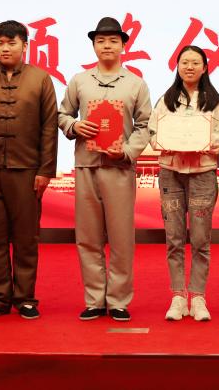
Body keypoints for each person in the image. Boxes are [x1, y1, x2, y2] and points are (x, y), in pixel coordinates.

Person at [0, 20, 58, 320]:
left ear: (25, 46)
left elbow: (49, 128)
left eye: (12, 43)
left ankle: (25, 298)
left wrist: (45, 171)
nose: (5, 48)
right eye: (0, 43)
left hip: (28, 171)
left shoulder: (41, 79)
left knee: (26, 238)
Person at [59, 16, 152, 323]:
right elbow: (62, 114)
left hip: (119, 168)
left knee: (122, 237)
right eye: (101, 41)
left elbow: (145, 124)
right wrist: (74, 126)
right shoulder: (79, 81)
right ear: (94, 46)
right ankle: (95, 299)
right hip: (86, 165)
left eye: (113, 40)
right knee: (88, 237)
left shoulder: (135, 84)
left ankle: (119, 300)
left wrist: (127, 151)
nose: (107, 45)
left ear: (123, 45)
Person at [149, 45, 219, 322]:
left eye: (195, 63)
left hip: (203, 172)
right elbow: (152, 133)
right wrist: (163, 142)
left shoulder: (214, 102)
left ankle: (199, 297)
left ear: (205, 68)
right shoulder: (166, 100)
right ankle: (178, 296)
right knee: (174, 238)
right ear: (178, 66)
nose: (190, 67)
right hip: (171, 172)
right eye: (185, 62)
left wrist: (207, 144)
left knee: (201, 238)